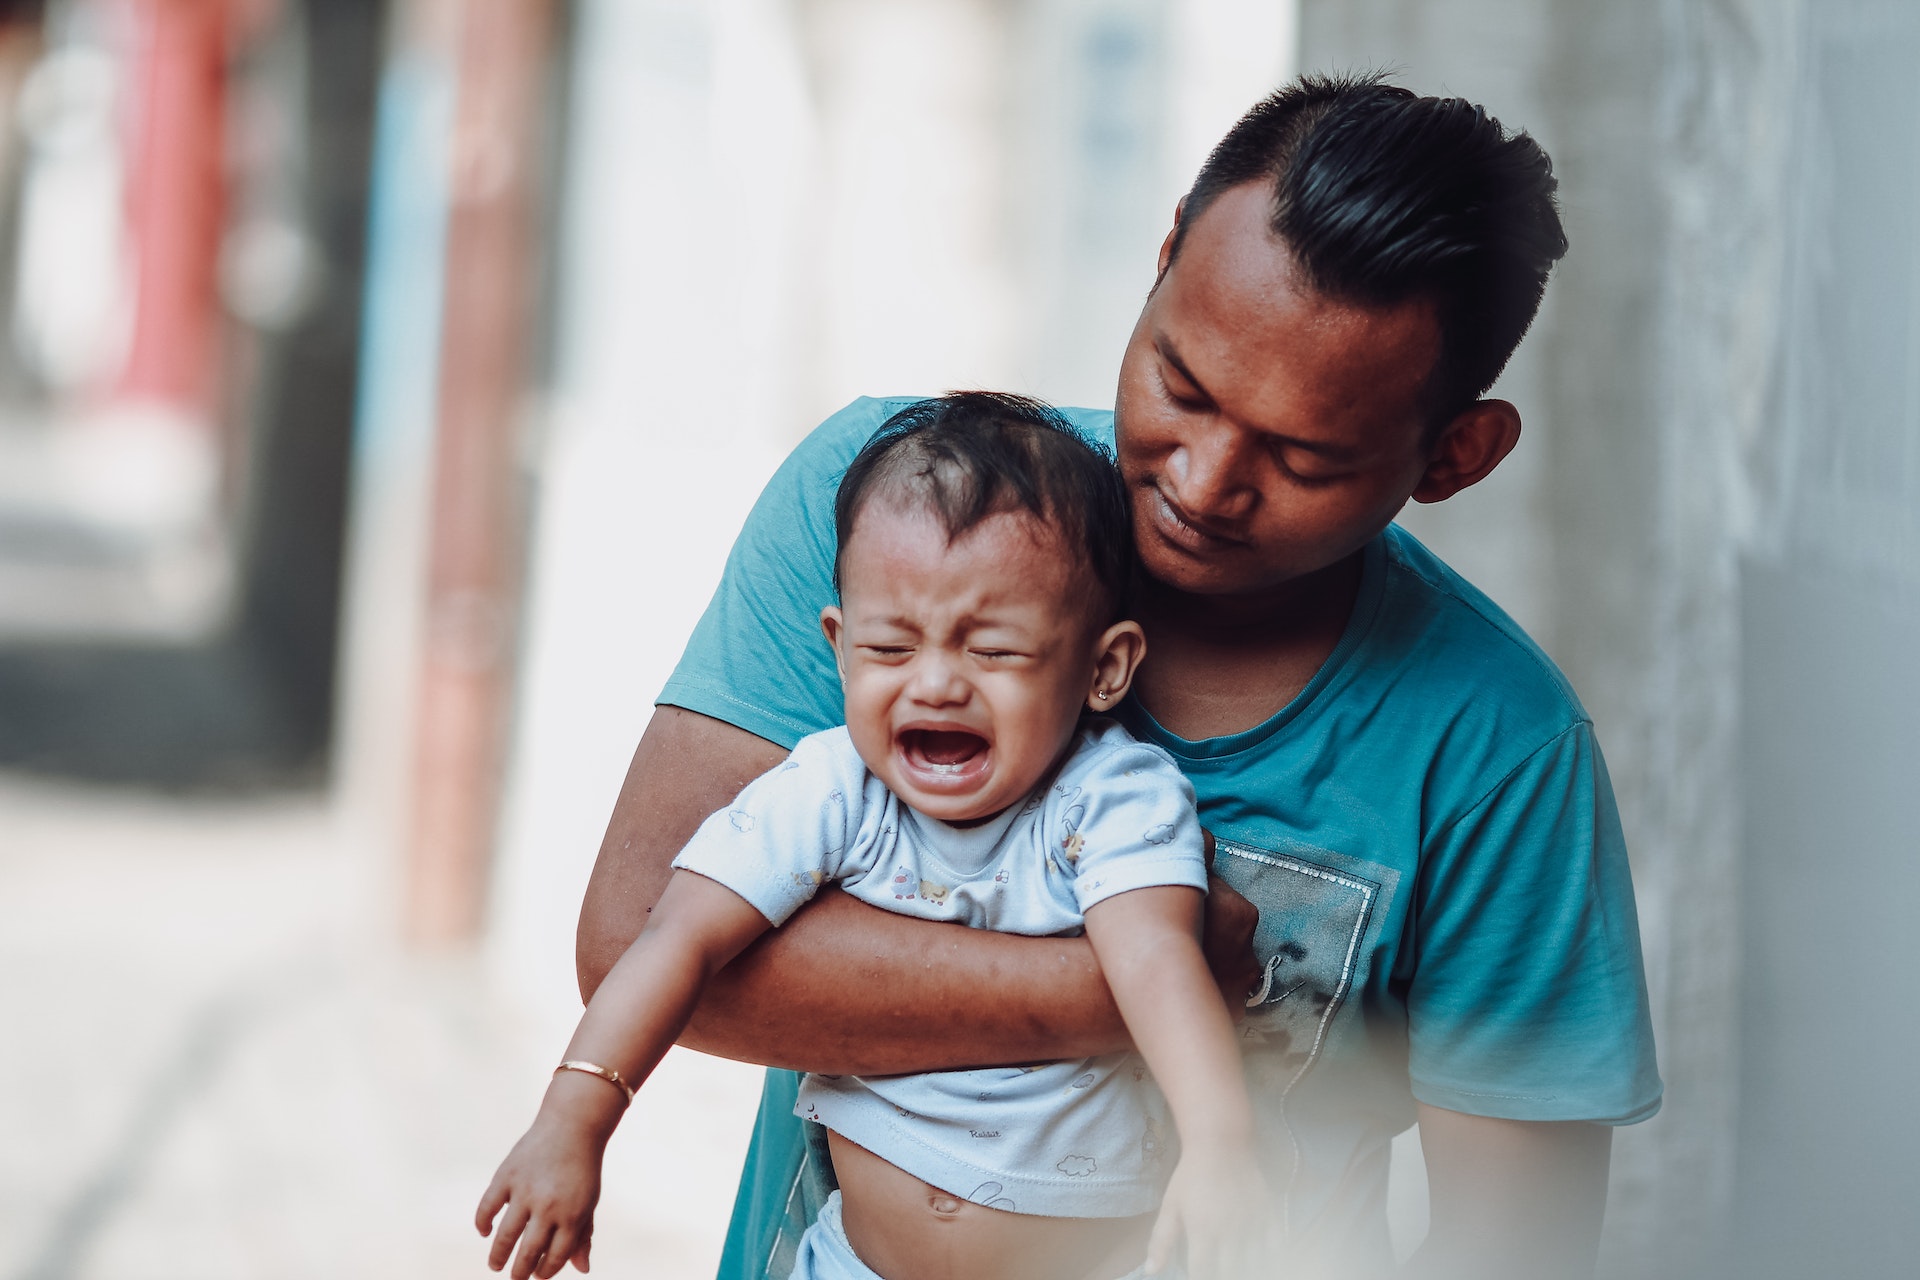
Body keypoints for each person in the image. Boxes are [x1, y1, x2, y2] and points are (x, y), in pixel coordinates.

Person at [578, 73, 1662, 1280]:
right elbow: (639, 944)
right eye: (1181, 386)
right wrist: (1138, 982)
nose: (1202, 480)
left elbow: (1509, 1252)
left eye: (1303, 455)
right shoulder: (899, 513)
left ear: (1456, 456)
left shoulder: (1499, 749)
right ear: (1161, 267)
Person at [480, 395, 1276, 1280]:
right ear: (840, 645)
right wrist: (573, 1120)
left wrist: (1219, 1149)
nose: (935, 684)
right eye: (892, 649)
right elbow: (675, 936)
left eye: (995, 652)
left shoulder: (1112, 798)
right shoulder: (831, 791)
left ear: (1103, 668)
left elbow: (1162, 962)